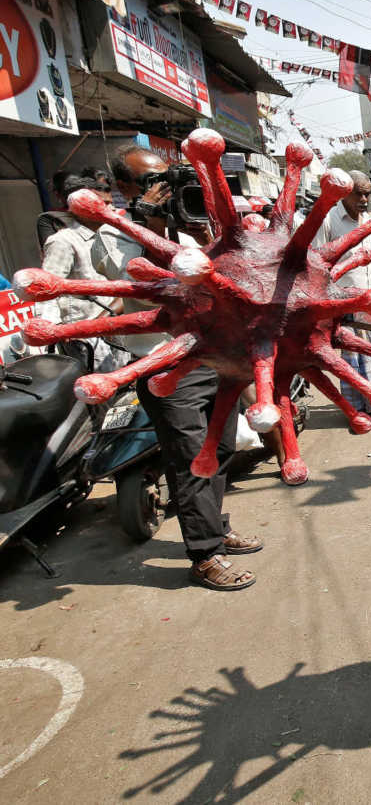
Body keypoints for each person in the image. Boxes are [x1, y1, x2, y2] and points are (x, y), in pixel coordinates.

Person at [101, 144, 260, 590]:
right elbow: (142, 283)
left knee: (222, 449)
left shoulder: (185, 231)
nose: (162, 188)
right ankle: (204, 555)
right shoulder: (112, 236)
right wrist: (148, 225)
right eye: (150, 181)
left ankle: (215, 526)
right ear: (124, 188)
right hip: (163, 365)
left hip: (209, 359)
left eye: (166, 178)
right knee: (191, 458)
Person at [36, 175, 128, 372]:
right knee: (101, 394)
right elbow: (46, 290)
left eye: (111, 203)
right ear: (80, 208)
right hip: (85, 336)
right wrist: (56, 329)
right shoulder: (63, 241)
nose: (111, 209)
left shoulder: (110, 236)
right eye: (103, 204)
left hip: (115, 326)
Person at [314, 170, 371, 414]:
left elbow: (370, 261)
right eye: (358, 195)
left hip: (368, 298)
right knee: (350, 355)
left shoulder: (369, 220)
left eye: (367, 194)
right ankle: (356, 407)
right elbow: (316, 262)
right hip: (340, 300)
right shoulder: (328, 219)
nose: (364, 200)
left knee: (368, 350)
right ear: (345, 194)